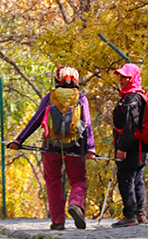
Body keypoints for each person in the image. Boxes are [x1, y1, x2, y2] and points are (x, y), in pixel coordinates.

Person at [9, 66, 96, 230]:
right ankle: (76, 204)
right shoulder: (81, 99)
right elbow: (88, 125)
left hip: (51, 147)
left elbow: (36, 120)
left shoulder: (50, 97)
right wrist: (90, 148)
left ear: (57, 81)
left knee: (53, 181)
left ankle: (58, 221)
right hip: (75, 147)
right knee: (78, 180)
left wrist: (19, 140)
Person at [111, 63, 148, 228]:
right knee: (136, 180)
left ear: (133, 78)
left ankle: (130, 214)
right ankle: (139, 214)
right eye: (120, 76)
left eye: (125, 77)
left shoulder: (132, 99)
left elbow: (130, 125)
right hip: (141, 148)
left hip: (133, 148)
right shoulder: (136, 96)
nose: (121, 80)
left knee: (126, 179)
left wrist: (123, 147)